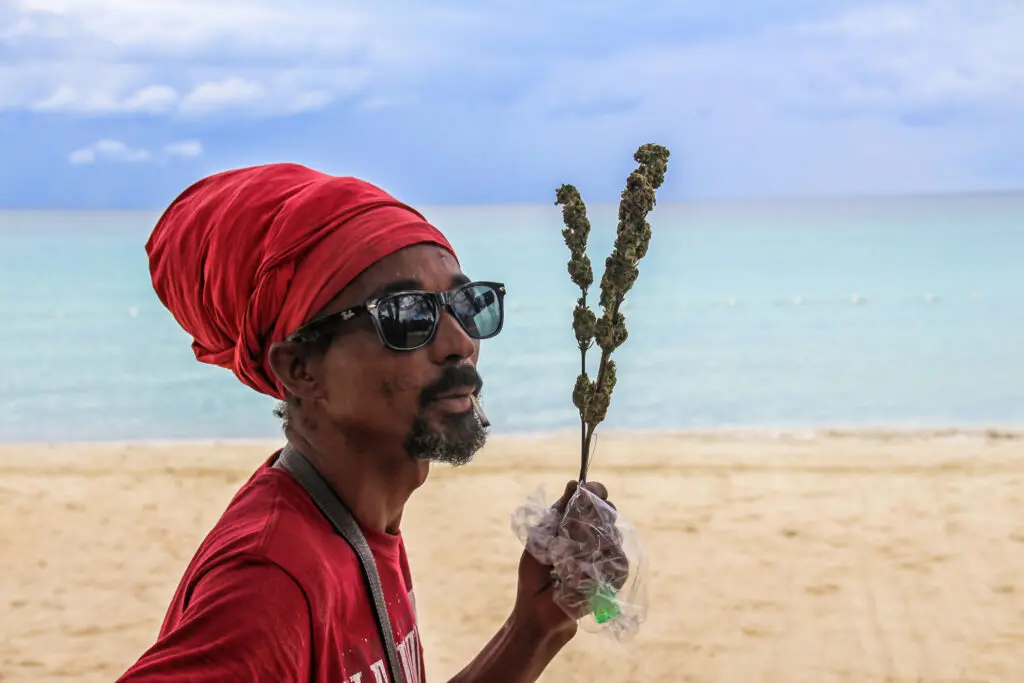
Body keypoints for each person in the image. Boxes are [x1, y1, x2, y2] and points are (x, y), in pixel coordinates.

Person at [116, 163, 619, 683]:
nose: (459, 344)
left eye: (465, 306)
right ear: (300, 369)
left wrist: (535, 628)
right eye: (407, 316)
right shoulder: (269, 581)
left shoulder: (352, 523)